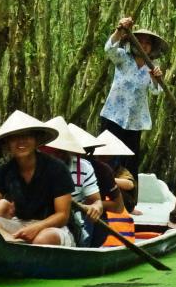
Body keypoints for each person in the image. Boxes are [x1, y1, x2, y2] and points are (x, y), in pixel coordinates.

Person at [0, 110, 75, 246]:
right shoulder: (6, 171)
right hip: (19, 226)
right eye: (15, 137)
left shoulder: (57, 168)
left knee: (42, 239)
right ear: (8, 143)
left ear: (36, 140)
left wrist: (37, 227)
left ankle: (12, 244)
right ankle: (13, 242)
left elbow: (62, 215)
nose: (21, 141)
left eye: (27, 136)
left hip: (52, 228)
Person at [99, 15, 167, 185]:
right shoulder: (123, 57)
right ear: (132, 42)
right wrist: (119, 30)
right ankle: (102, 194)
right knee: (107, 156)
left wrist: (156, 78)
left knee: (131, 159)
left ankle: (130, 202)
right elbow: (109, 49)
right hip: (113, 115)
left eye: (147, 43)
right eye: (140, 41)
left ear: (151, 48)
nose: (143, 45)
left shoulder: (152, 67)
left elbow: (156, 91)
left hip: (135, 121)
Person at [41, 117, 105, 247]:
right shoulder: (29, 164)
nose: (54, 156)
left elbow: (96, 201)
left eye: (59, 151)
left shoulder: (84, 167)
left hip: (69, 224)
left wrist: (95, 208)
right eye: (49, 151)